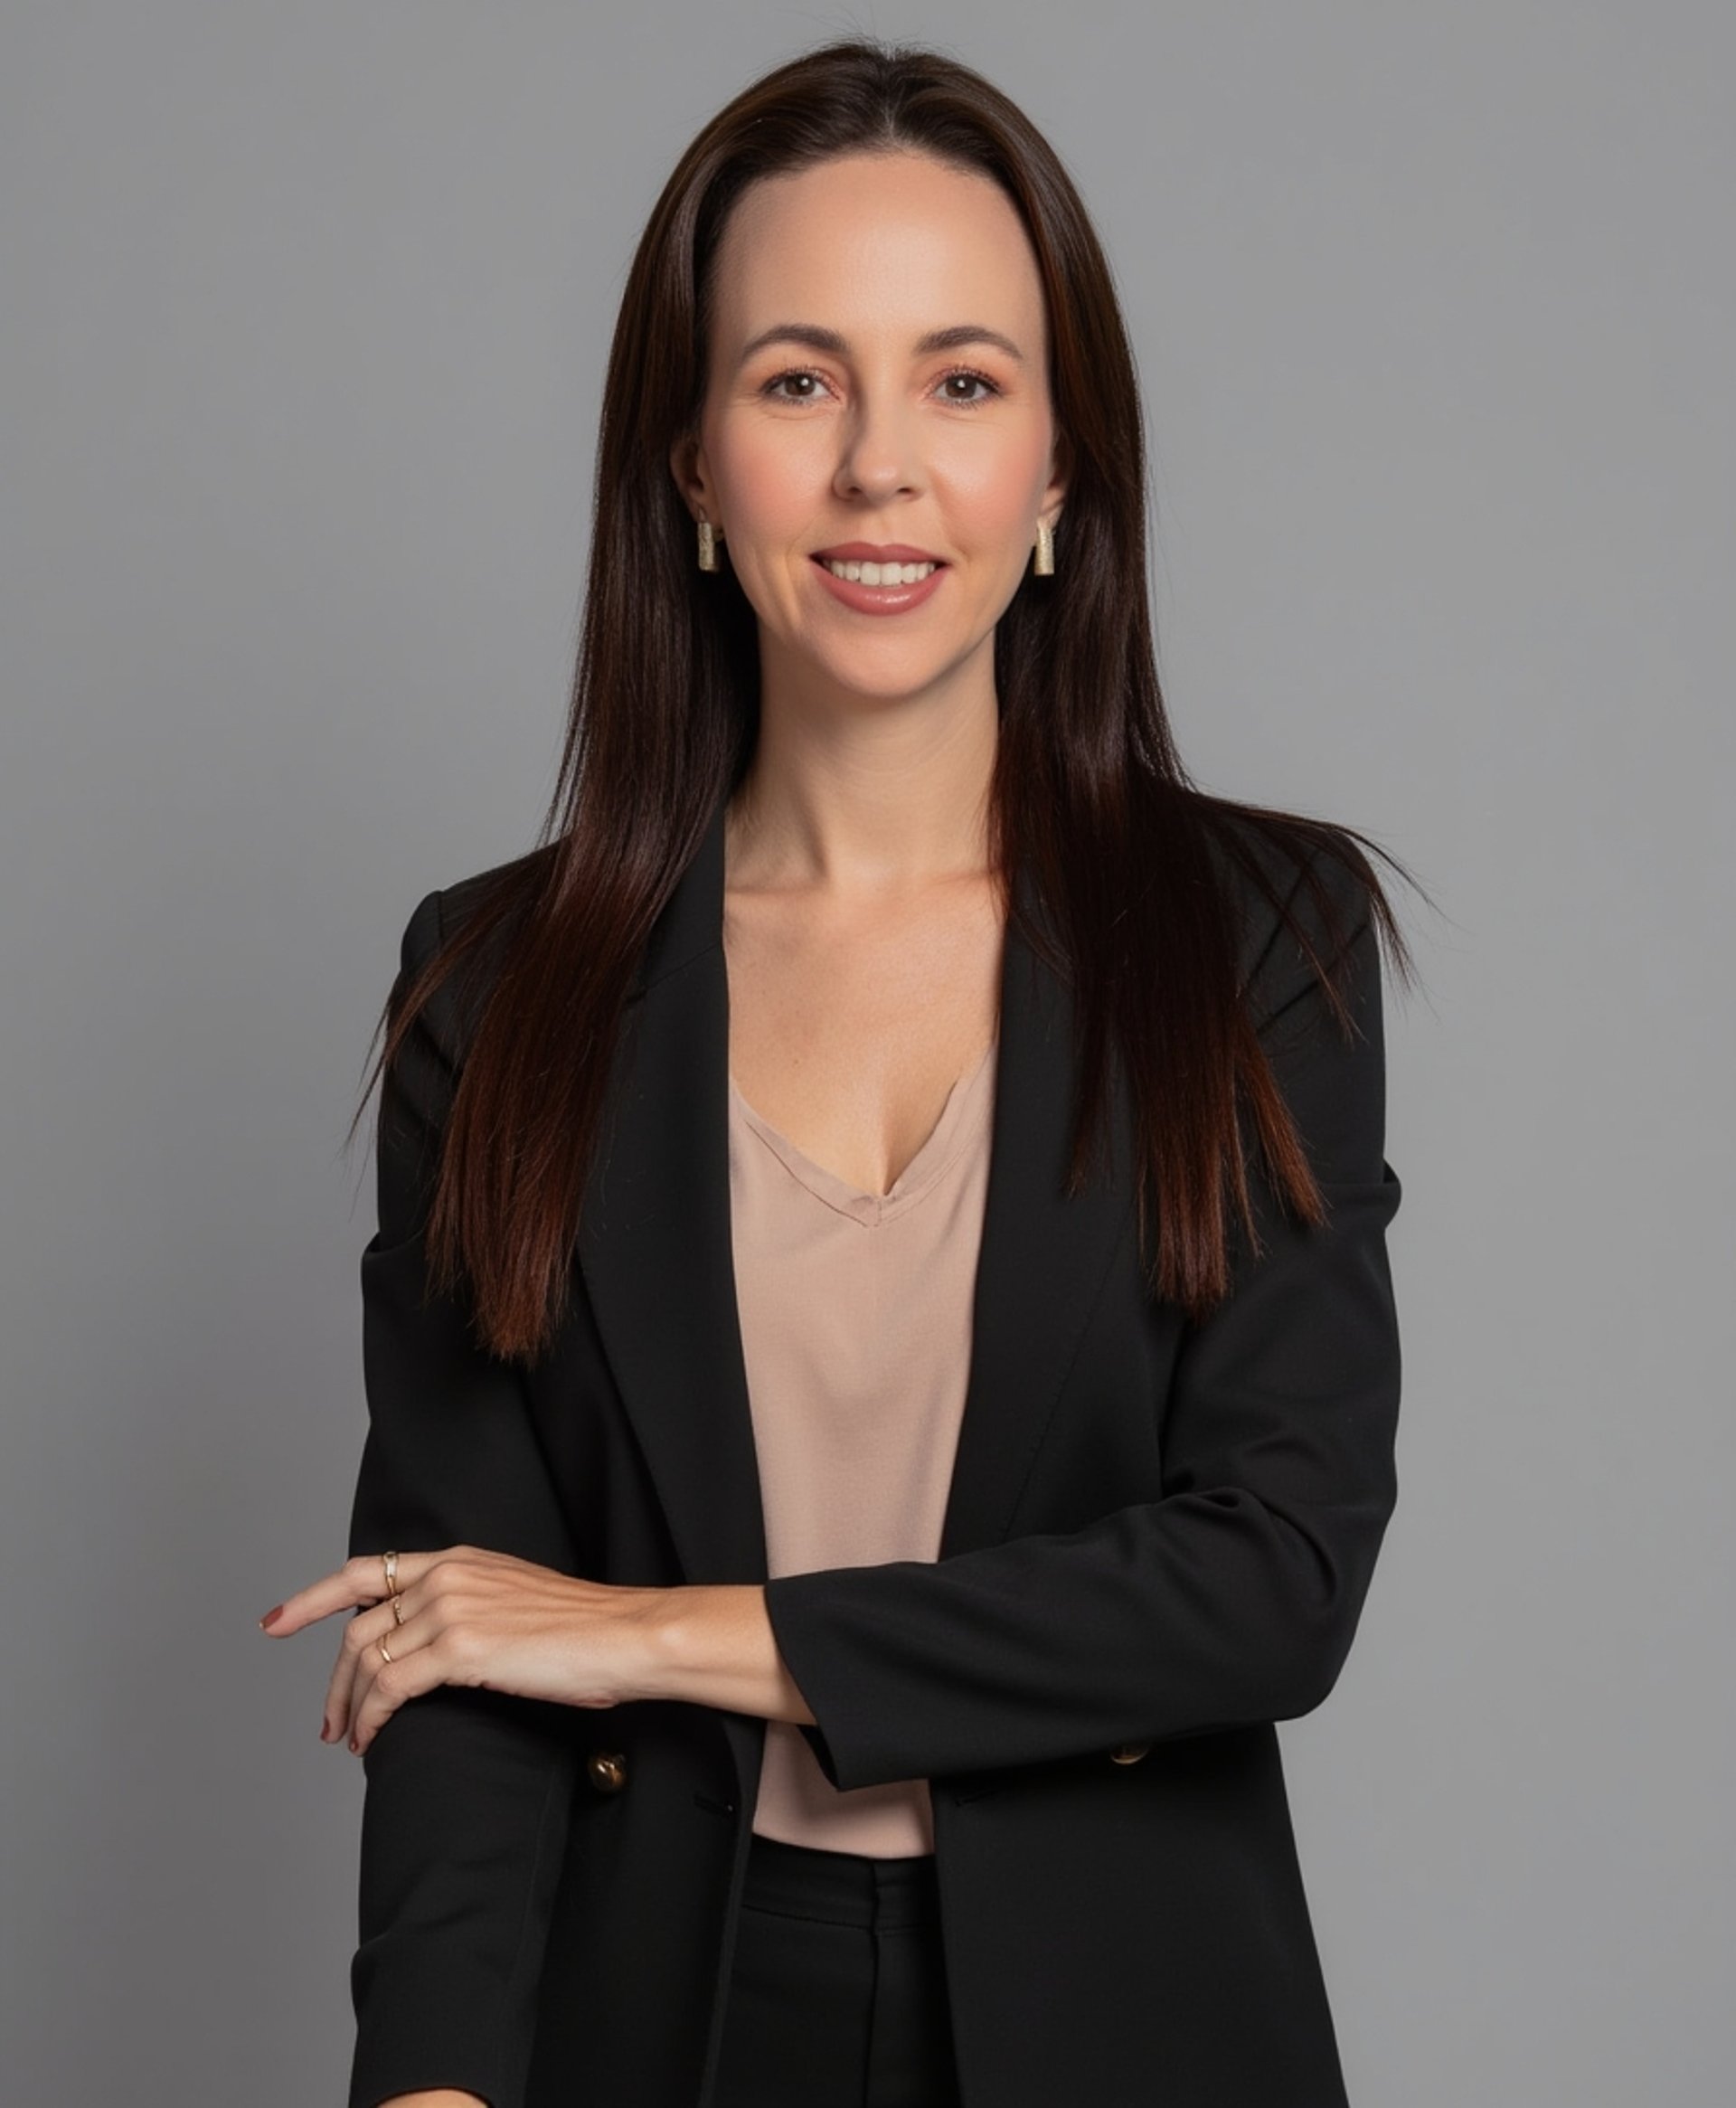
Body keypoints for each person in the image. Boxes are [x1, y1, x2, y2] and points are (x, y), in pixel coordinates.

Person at [259, 35, 1421, 2108]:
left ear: (1062, 469)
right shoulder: (496, 983)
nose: (884, 463)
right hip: (650, 2025)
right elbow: (455, 1637)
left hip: (1138, 2018)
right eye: (799, 380)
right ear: (693, 465)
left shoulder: (1256, 940)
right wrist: (430, 2089)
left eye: (964, 381)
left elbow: (1270, 1580)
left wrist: (648, 1630)